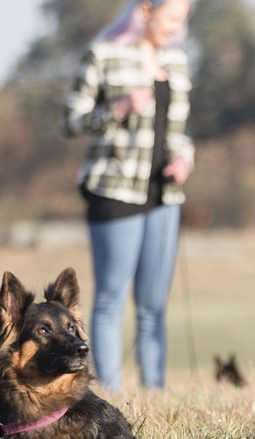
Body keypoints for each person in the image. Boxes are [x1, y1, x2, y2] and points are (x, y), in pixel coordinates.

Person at [62, 0, 194, 390]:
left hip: (163, 197)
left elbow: (181, 133)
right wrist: (117, 108)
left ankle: (155, 388)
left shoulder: (177, 64)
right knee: (109, 300)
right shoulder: (103, 56)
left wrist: (184, 159)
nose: (175, 27)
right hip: (114, 191)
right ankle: (110, 391)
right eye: (170, 18)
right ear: (146, 9)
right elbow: (70, 120)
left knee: (154, 305)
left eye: (182, 20)